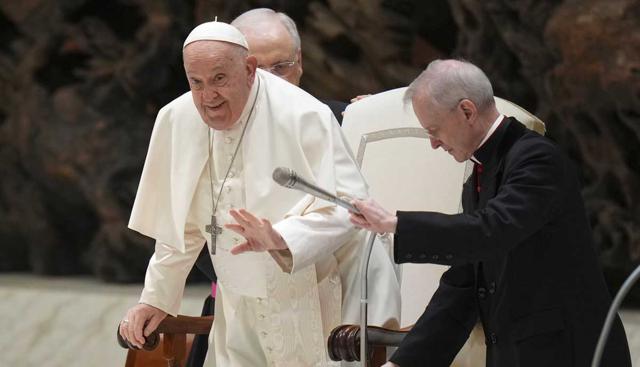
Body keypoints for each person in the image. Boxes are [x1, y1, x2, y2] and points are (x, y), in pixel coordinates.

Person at [118, 21, 396, 366]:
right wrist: (156, 298)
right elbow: (183, 227)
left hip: (316, 289)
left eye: (220, 79)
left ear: (249, 69)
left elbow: (350, 210)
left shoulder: (303, 114)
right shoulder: (178, 119)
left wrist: (282, 236)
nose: (208, 97)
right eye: (196, 82)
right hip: (239, 296)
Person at [348, 59, 631, 367]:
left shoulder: (537, 160)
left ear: (467, 111)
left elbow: (492, 230)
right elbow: (463, 285)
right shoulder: (481, 174)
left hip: (570, 352)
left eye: (434, 130)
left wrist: (397, 224)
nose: (432, 144)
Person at [232, 8, 348, 124]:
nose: (271, 81)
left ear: (299, 61)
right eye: (257, 71)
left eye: (280, 67)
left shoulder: (342, 121)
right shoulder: (216, 134)